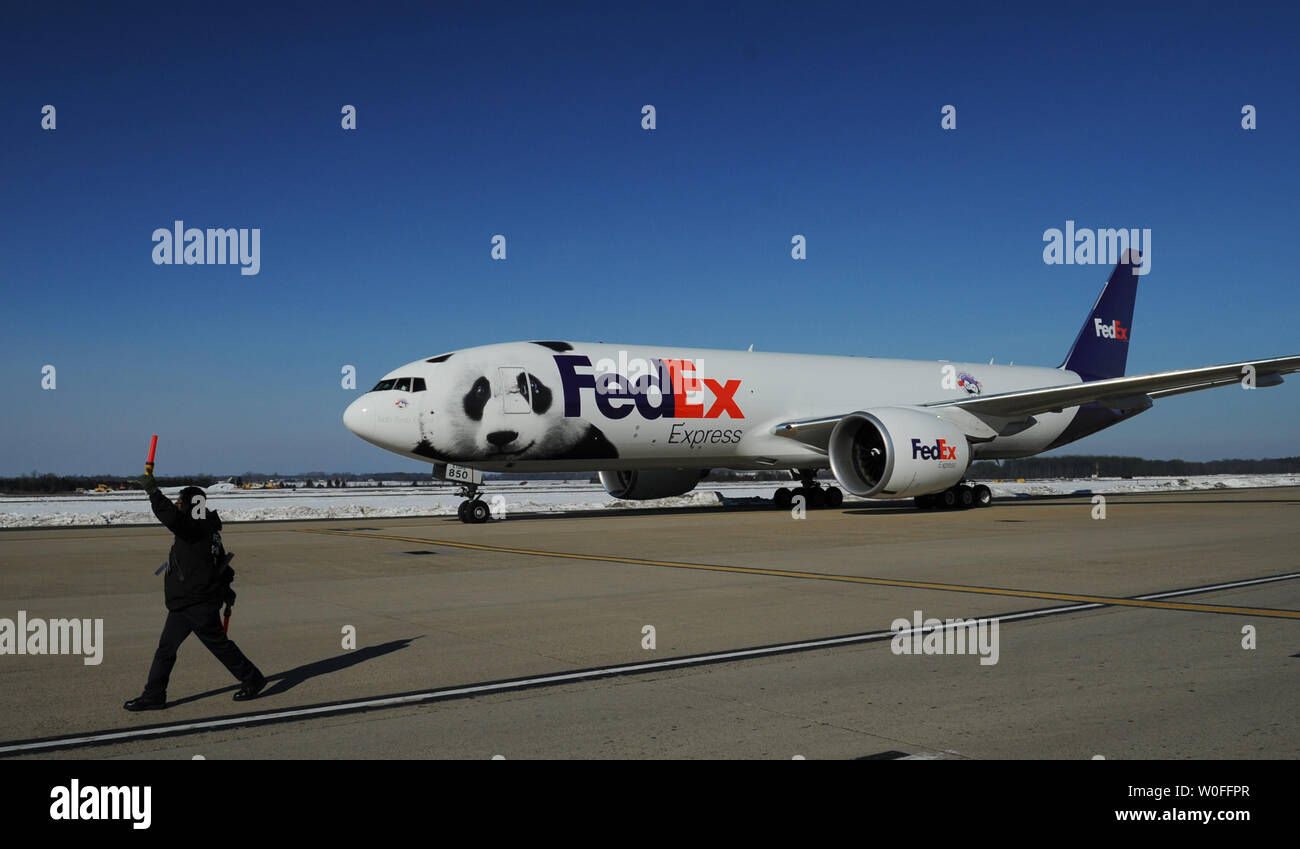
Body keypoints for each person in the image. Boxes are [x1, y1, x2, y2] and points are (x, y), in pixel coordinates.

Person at [124, 473, 266, 710]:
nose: (178, 504)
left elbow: (171, 518)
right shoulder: (208, 530)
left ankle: (253, 679)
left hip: (198, 600)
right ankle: (154, 695)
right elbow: (220, 564)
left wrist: (152, 491)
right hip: (186, 600)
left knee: (218, 645)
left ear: (190, 504)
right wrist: (227, 591)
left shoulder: (194, 527)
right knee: (166, 649)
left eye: (181, 501)